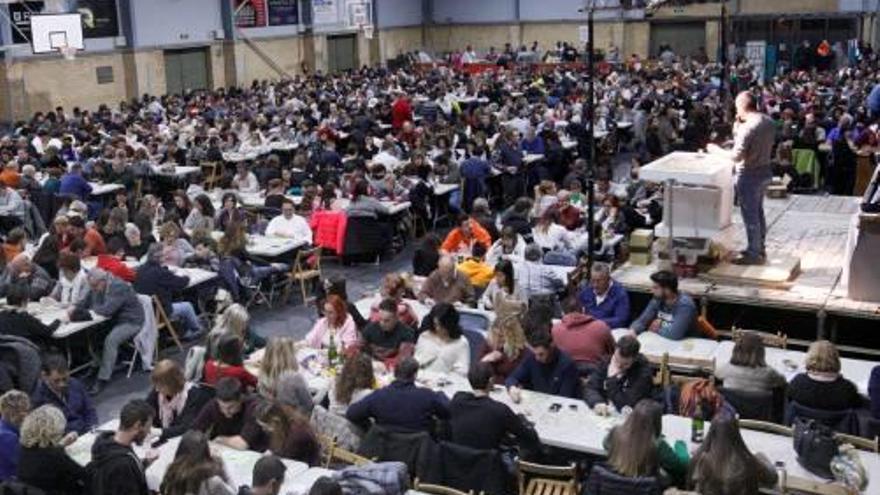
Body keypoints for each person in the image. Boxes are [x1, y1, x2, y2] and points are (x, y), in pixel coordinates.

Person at [708, 92, 775, 265]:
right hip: (765, 170)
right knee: (758, 212)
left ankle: (754, 253)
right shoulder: (768, 121)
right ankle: (759, 247)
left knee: (750, 215)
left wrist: (716, 150)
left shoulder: (748, 127)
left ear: (741, 107)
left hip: (749, 174)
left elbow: (736, 156)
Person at [74, 269, 145, 395]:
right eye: (92, 286)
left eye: (95, 286)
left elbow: (107, 310)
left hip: (131, 320)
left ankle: (103, 378)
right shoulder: (97, 284)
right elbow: (86, 302)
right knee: (92, 334)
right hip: (113, 320)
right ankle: (96, 364)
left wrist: (85, 312)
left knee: (111, 340)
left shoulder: (118, 286)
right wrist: (74, 308)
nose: (93, 289)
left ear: (103, 280)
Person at [449, 362, 540, 453]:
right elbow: (530, 437)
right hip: (489, 464)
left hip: (460, 461)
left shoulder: (457, 400)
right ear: (491, 381)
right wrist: (523, 419)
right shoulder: (499, 410)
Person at [346, 357, 450, 432]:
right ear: (415, 375)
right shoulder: (427, 396)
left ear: (394, 373)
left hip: (384, 451)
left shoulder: (378, 396)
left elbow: (351, 414)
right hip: (419, 453)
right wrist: (439, 393)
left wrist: (370, 428)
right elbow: (448, 410)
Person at [687, 416, 778, 494]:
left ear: (711, 435)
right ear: (737, 437)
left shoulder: (703, 462)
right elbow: (773, 477)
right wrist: (760, 456)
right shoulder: (749, 462)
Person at [134, 243, 203, 339]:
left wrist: (167, 272)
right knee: (187, 306)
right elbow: (182, 283)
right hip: (159, 312)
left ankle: (184, 327)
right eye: (163, 254)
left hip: (143, 311)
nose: (166, 256)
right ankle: (196, 330)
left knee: (175, 298)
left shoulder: (140, 269)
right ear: (159, 257)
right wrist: (187, 275)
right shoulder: (161, 273)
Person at [88, 399, 155, 495]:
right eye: (148, 427)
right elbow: (125, 474)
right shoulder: (122, 464)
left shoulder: (105, 441)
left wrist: (146, 462)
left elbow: (129, 473)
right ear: (137, 425)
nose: (149, 432)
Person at [16, 405, 87, 495]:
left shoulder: (24, 448)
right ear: (53, 430)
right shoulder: (54, 455)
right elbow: (84, 474)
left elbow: (43, 456)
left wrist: (61, 444)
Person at [145, 360, 215, 445]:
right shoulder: (159, 392)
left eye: (160, 386)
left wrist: (157, 432)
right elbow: (144, 409)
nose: (157, 389)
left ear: (172, 383)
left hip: (187, 441)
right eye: (155, 385)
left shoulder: (194, 396)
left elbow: (186, 428)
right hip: (167, 439)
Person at [584, 335, 655, 412]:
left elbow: (626, 405)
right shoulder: (606, 362)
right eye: (617, 360)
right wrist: (597, 402)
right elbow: (590, 388)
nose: (618, 366)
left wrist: (611, 379)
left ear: (635, 359)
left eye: (625, 364)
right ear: (615, 351)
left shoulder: (643, 372)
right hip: (605, 411)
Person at [31, 353, 97, 435]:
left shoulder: (75, 384)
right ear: (44, 376)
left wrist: (92, 428)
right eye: (56, 381)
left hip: (87, 432)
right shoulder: (39, 399)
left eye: (65, 379)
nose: (62, 384)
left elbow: (89, 410)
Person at [193, 377, 266, 451]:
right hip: (223, 450)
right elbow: (194, 431)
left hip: (251, 452)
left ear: (241, 399)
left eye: (231, 407)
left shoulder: (253, 408)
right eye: (221, 407)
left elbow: (242, 444)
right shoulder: (213, 405)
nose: (225, 411)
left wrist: (220, 439)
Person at [787, 340, 861, 411]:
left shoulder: (797, 383)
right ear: (836, 359)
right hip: (836, 423)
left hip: (801, 423)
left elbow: (789, 399)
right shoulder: (847, 389)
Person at [505, 329, 579, 399]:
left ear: (551, 347)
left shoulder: (567, 364)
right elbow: (512, 378)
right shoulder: (531, 358)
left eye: (541, 354)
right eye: (535, 354)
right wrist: (512, 387)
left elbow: (564, 397)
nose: (537, 358)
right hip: (538, 400)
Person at [160, 430, 235, 495]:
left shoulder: (172, 472)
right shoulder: (211, 482)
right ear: (206, 453)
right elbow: (233, 493)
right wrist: (223, 467)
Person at [630, 270, 698, 340]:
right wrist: (633, 330)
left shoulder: (685, 305)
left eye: (656, 288)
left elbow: (674, 334)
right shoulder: (657, 300)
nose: (652, 291)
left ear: (667, 289)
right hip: (663, 340)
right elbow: (642, 320)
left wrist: (655, 330)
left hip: (685, 344)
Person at [551, 297, 615, 370]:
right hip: (595, 373)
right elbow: (613, 352)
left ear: (563, 313)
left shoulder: (555, 330)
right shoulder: (601, 327)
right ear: (583, 309)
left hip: (565, 374)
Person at [714, 332, 787, 393]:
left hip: (732, 408)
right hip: (758, 409)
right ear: (761, 351)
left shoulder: (726, 369)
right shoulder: (769, 373)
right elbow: (782, 381)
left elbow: (716, 372)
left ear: (736, 349)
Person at [256, 337, 313, 415]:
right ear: (289, 355)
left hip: (273, 416)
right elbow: (309, 405)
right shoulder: (292, 377)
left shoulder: (262, 372)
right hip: (296, 419)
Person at [414, 303, 471, 376]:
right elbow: (416, 362)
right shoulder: (424, 336)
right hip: (423, 379)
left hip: (448, 383)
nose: (438, 329)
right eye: (435, 325)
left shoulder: (461, 342)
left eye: (442, 326)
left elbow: (462, 371)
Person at [256, 402, 320, 465]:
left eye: (266, 426)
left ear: (276, 422)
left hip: (304, 468)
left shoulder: (297, 434)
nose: (263, 429)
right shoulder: (280, 430)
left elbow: (285, 458)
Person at [0, 282, 60, 346]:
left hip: (7, 351)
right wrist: (59, 320)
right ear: (24, 301)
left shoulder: (2, 315)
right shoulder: (27, 319)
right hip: (30, 351)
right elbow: (48, 331)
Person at [360, 298, 417, 362]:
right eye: (380, 319)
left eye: (386, 321)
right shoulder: (369, 329)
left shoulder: (407, 333)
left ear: (396, 317)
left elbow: (404, 360)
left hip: (394, 367)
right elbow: (359, 350)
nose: (382, 324)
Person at [578, 262, 631, 329]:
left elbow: (621, 320)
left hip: (610, 330)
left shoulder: (620, 293)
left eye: (599, 281)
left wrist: (596, 322)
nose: (595, 285)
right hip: (589, 329)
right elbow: (578, 308)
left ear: (608, 280)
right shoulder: (588, 289)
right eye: (593, 281)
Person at [0, 390, 29, 482]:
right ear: (12, 412)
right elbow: (26, 464)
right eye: (24, 410)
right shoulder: (7, 437)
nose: (26, 415)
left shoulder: (8, 429)